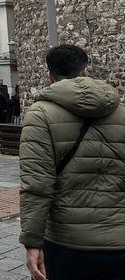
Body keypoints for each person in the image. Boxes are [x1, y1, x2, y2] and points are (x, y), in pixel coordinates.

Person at [19, 44, 125, 280]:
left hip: (67, 243)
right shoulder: (121, 112)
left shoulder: (40, 115)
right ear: (86, 71)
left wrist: (32, 243)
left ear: (50, 76)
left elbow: (37, 186)